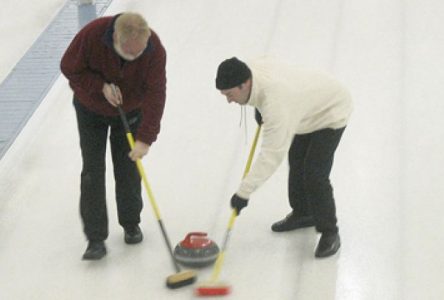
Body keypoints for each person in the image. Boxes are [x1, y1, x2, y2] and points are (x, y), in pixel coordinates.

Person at [215, 57, 352, 258]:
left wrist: (244, 192)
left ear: (244, 84)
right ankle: (303, 213)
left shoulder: (277, 104)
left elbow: (271, 155)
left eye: (230, 94)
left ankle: (330, 233)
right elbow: (265, 79)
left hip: (330, 111)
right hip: (303, 108)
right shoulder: (250, 71)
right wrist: (257, 106)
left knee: (314, 173)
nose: (229, 100)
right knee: (296, 161)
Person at [60, 12, 167, 260]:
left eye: (138, 53)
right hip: (91, 110)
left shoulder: (155, 48)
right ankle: (95, 238)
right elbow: (69, 67)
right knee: (92, 171)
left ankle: (131, 222)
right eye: (129, 53)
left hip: (130, 110)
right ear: (116, 39)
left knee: (129, 165)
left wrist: (145, 138)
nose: (135, 57)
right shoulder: (92, 35)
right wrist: (101, 86)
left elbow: (156, 93)